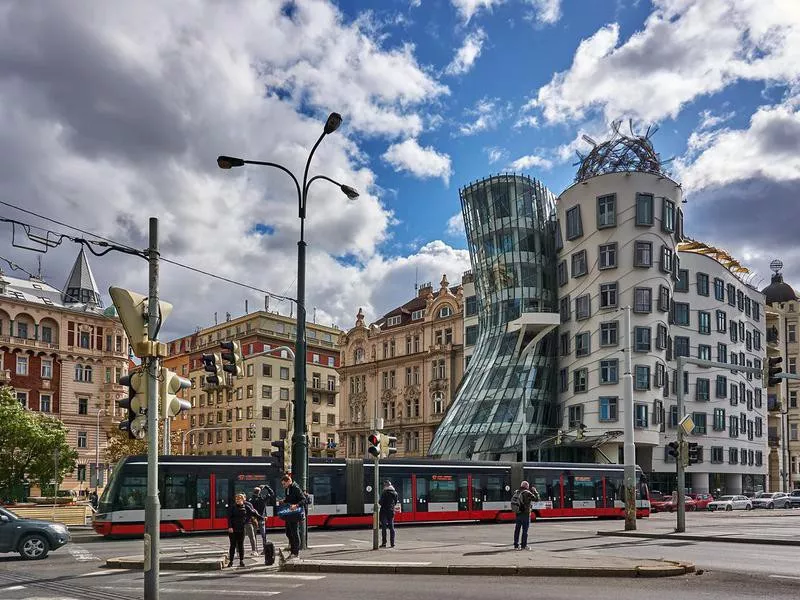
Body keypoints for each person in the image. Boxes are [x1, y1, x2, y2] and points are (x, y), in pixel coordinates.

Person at [227, 493, 261, 567]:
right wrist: (230, 527)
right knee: (232, 545)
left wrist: (261, 518)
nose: (238, 500)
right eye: (236, 499)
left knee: (241, 545)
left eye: (239, 499)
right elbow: (229, 518)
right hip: (233, 529)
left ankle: (241, 561)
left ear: (243, 500)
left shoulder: (246, 507)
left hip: (241, 528)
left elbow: (253, 513)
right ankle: (231, 561)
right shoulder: (232, 507)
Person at [279, 474, 308, 560]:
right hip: (290, 513)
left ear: (289, 481)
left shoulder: (295, 488)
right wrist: (284, 501)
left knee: (294, 532)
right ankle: (292, 549)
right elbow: (289, 499)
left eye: (284, 484)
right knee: (288, 532)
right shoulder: (288, 489)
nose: (283, 486)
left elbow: (303, 499)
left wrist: (296, 505)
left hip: (295, 513)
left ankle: (295, 552)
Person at [511, 481, 538, 550]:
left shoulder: (516, 492)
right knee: (525, 530)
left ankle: (516, 545)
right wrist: (535, 491)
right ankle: (524, 545)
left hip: (518, 514)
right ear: (526, 486)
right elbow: (537, 499)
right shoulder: (527, 493)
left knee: (517, 530)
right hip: (525, 514)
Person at [249, 486, 273, 554]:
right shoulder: (263, 499)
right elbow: (272, 493)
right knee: (263, 535)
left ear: (253, 492)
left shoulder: (251, 500)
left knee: (254, 535)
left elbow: (250, 510)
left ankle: (255, 550)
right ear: (259, 492)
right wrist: (266, 487)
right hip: (262, 518)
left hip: (254, 519)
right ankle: (264, 550)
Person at [378, 480, 399, 548]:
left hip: (384, 511)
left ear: (386, 485)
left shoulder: (384, 493)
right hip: (391, 511)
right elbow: (395, 502)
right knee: (391, 527)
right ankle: (392, 543)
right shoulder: (395, 493)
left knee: (384, 527)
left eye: (384, 485)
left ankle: (384, 543)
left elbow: (380, 502)